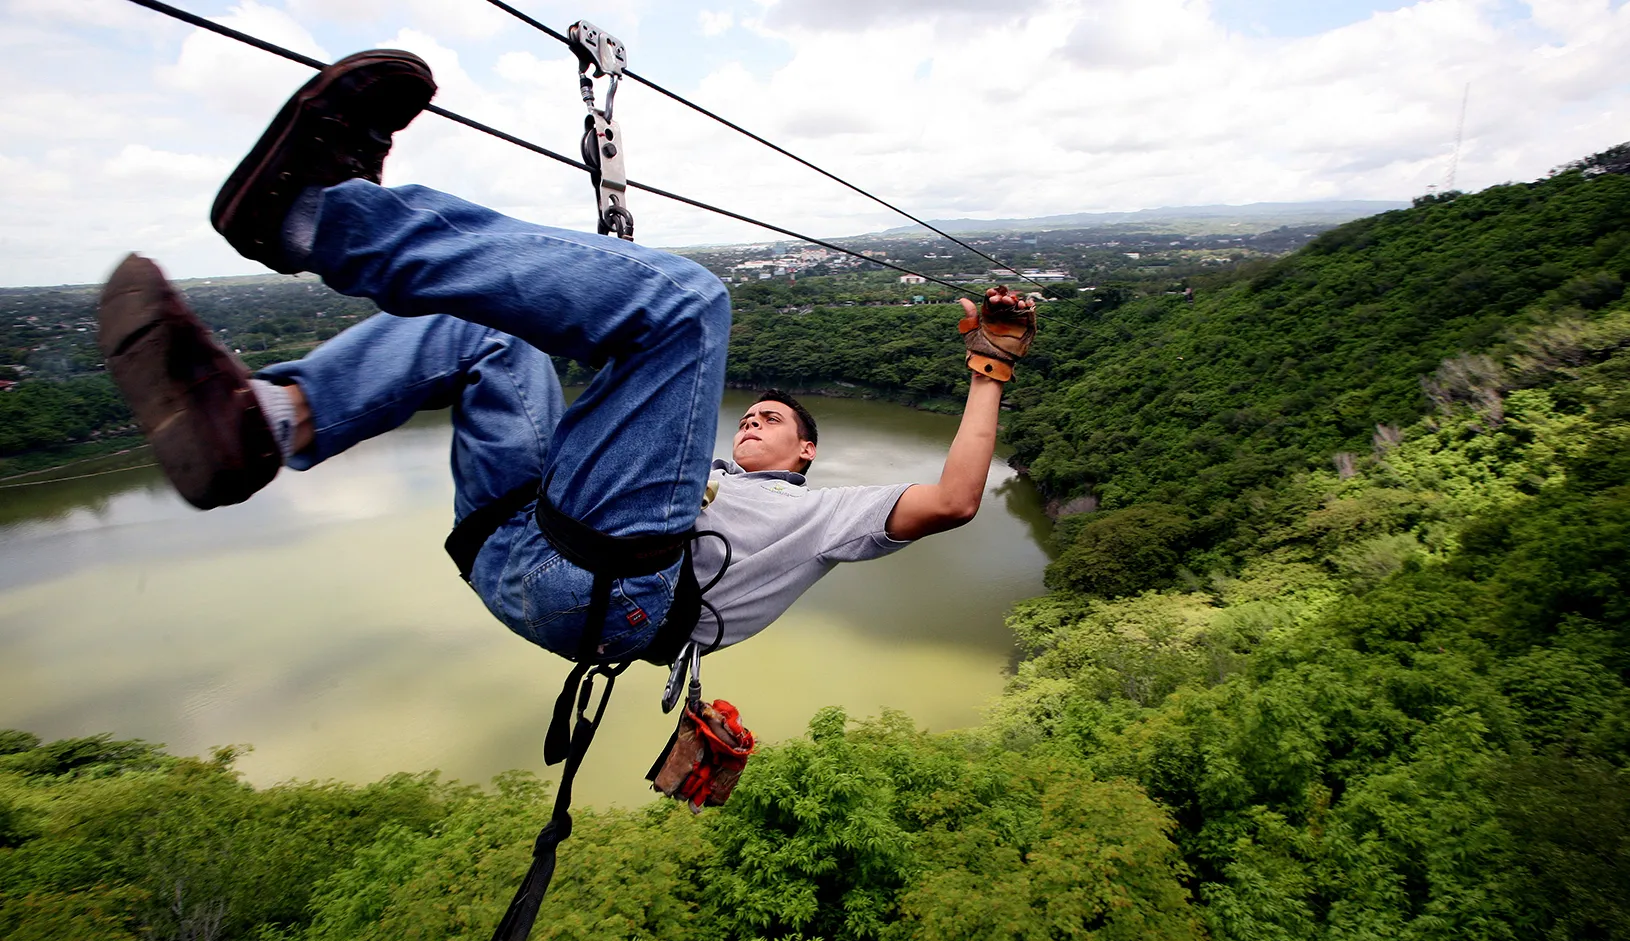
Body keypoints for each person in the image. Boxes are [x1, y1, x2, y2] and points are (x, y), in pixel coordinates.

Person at [96, 50, 1037, 668]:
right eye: (752, 412)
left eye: (777, 422)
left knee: (692, 306)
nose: (755, 418)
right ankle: (263, 422)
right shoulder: (686, 477)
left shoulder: (827, 516)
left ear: (803, 457)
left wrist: (987, 372)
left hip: (609, 590)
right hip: (519, 537)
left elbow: (955, 500)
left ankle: (315, 214)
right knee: (495, 337)